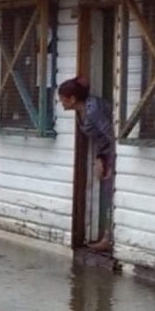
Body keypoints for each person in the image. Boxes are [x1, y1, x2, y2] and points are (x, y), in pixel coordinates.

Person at [58, 76, 115, 253]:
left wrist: (111, 162)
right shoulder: (81, 112)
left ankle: (108, 237)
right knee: (107, 190)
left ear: (72, 99)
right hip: (105, 152)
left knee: (110, 192)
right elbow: (100, 139)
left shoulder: (93, 111)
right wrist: (100, 157)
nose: (61, 103)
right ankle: (107, 236)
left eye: (63, 99)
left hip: (114, 153)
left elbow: (112, 135)